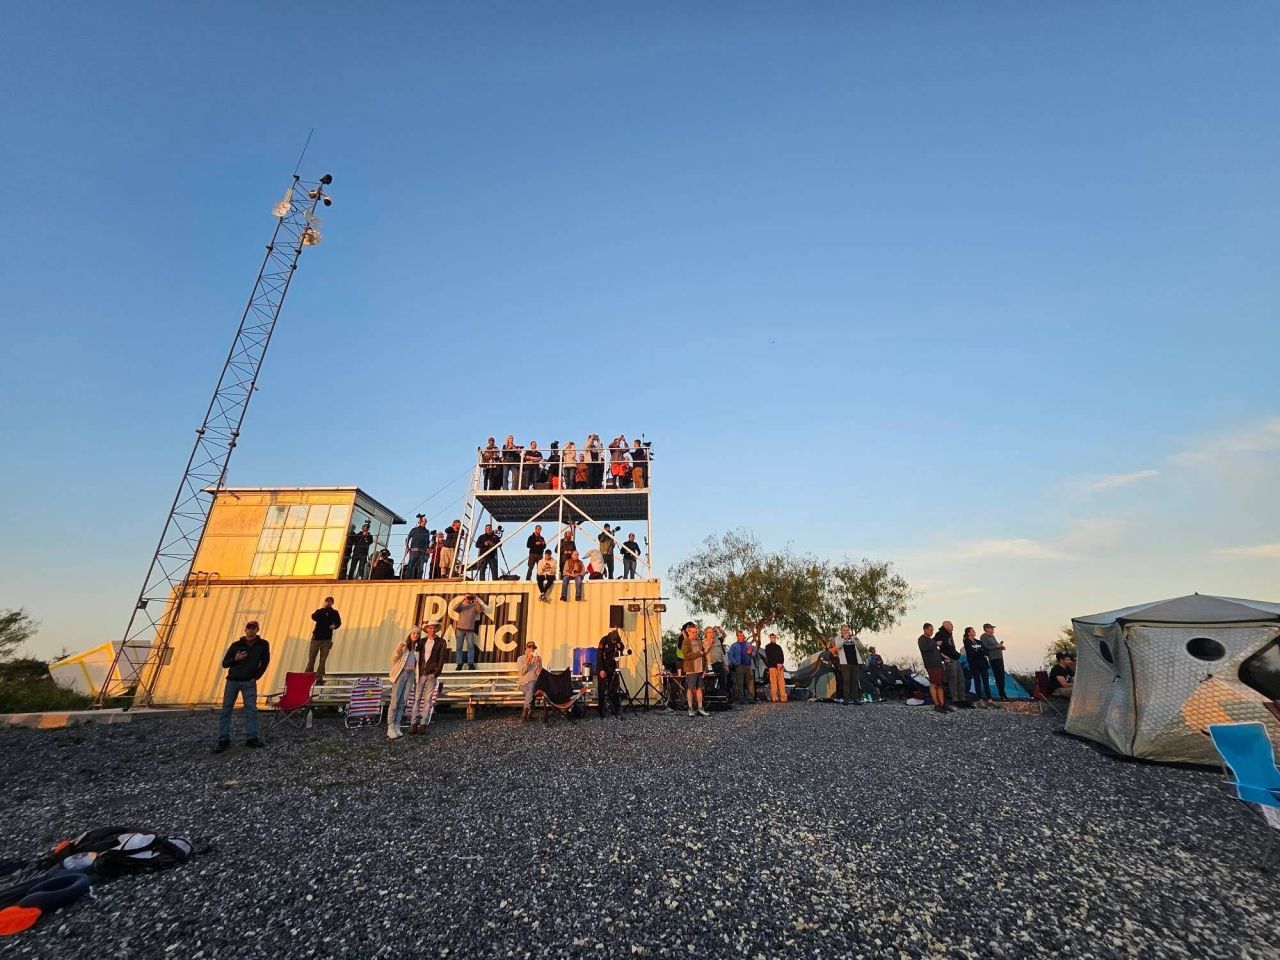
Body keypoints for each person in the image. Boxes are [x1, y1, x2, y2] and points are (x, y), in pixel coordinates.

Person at [214, 620, 270, 752]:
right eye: (249, 628)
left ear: (258, 630)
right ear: (245, 630)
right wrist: (236, 659)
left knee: (251, 710)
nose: (251, 630)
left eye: (253, 628)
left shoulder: (262, 645)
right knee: (226, 710)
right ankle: (223, 739)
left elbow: (265, 661)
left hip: (248, 682)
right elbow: (225, 663)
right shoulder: (235, 645)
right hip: (232, 681)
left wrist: (256, 676)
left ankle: (251, 738)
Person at [408, 622, 447, 734]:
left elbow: (442, 658)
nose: (432, 630)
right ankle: (413, 723)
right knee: (417, 699)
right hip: (420, 673)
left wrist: (436, 673)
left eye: (434, 628)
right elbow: (416, 655)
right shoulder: (421, 642)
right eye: (430, 628)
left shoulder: (441, 642)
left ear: (436, 630)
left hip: (431, 674)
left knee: (427, 699)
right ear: (427, 629)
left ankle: (423, 724)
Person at [387, 627, 419, 740]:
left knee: (403, 701)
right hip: (401, 673)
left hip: (410, 675)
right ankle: (390, 726)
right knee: (395, 700)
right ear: (410, 634)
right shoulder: (404, 645)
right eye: (414, 633)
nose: (415, 635)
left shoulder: (417, 648)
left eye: (417, 634)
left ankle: (397, 725)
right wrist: (398, 650)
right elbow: (394, 659)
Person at [306, 596, 341, 684]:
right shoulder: (320, 611)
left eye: (330, 602)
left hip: (327, 639)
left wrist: (335, 626)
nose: (328, 603)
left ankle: (319, 678)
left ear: (332, 603)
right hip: (316, 638)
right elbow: (314, 617)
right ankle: (307, 676)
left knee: (323, 659)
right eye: (327, 601)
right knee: (312, 658)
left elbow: (338, 622)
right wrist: (323, 610)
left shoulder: (334, 613)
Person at [936, 620, 971, 708]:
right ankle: (955, 700)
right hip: (950, 660)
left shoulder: (949, 634)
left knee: (961, 679)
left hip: (956, 658)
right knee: (953, 679)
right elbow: (932, 643)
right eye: (951, 625)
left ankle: (962, 699)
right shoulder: (940, 633)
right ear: (946, 625)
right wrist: (942, 656)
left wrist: (958, 655)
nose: (953, 626)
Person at [451, 592, 489, 670]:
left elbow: (480, 610)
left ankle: (471, 664)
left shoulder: (473, 606)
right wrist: (462, 600)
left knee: (471, 647)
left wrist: (477, 602)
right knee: (459, 647)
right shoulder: (461, 606)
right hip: (460, 629)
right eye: (467, 597)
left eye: (470, 597)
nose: (468, 599)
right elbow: (454, 608)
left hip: (470, 630)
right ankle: (459, 664)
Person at [679, 621, 709, 717]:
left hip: (700, 669)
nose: (694, 634)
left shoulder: (699, 641)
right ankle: (690, 708)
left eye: (696, 632)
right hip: (691, 669)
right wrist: (698, 654)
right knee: (690, 689)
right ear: (688, 632)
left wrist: (705, 669)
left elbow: (704, 655)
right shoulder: (686, 641)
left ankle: (700, 708)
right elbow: (686, 655)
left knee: (700, 689)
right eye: (692, 632)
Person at [918, 622, 949, 713]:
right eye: (931, 630)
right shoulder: (922, 639)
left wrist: (944, 659)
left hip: (938, 664)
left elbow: (937, 653)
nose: (932, 632)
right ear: (926, 629)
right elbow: (924, 649)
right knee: (934, 683)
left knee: (940, 684)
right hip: (931, 664)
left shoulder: (931, 640)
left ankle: (942, 704)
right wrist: (935, 644)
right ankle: (936, 704)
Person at [596, 629, 625, 719]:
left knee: (613, 689)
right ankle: (601, 710)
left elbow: (622, 648)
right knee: (602, 689)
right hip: (603, 667)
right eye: (613, 641)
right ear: (611, 638)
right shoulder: (604, 640)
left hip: (613, 668)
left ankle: (614, 709)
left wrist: (620, 646)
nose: (614, 642)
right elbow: (599, 656)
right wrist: (601, 669)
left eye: (615, 641)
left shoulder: (618, 641)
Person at [962, 626, 992, 707]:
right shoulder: (967, 642)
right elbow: (971, 653)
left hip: (983, 664)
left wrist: (979, 651)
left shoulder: (978, 641)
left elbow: (986, 651)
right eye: (973, 631)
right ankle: (980, 699)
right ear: (969, 633)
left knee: (986, 681)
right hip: (974, 665)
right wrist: (980, 651)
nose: (974, 632)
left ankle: (989, 698)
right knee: (977, 681)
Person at [980, 624, 1008, 701]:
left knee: (1002, 676)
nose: (993, 629)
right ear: (987, 629)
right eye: (991, 628)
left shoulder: (993, 636)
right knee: (998, 676)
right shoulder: (983, 637)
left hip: (999, 657)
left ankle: (1003, 694)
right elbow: (986, 647)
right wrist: (996, 647)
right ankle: (1002, 695)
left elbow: (996, 645)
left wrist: (1001, 647)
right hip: (993, 658)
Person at [516, 640, 543, 720]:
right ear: (526, 648)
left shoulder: (537, 659)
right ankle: (529, 712)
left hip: (535, 684)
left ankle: (526, 711)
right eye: (529, 647)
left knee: (532, 686)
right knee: (531, 689)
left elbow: (539, 674)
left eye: (533, 648)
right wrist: (527, 662)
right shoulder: (521, 659)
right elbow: (522, 672)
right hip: (523, 684)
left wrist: (539, 664)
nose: (531, 649)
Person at [838, 625, 861, 705]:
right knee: (846, 681)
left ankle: (855, 699)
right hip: (845, 663)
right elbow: (838, 646)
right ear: (841, 631)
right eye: (844, 630)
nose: (846, 632)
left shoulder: (853, 638)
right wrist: (844, 638)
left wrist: (857, 639)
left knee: (855, 681)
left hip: (855, 662)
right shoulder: (838, 638)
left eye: (847, 630)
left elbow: (861, 647)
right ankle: (846, 699)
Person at [728, 630, 752, 705]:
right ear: (737, 636)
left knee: (750, 682)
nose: (741, 637)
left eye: (742, 636)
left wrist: (751, 652)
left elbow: (754, 653)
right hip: (739, 665)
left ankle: (750, 698)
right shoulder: (734, 645)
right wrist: (734, 662)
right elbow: (730, 655)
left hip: (748, 665)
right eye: (740, 636)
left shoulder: (748, 644)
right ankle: (741, 699)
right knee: (740, 683)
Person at [705, 626, 728, 703]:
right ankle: (710, 700)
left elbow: (721, 653)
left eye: (713, 632)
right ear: (706, 633)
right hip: (710, 665)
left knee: (723, 681)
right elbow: (704, 652)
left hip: (720, 663)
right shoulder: (703, 641)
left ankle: (723, 699)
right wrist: (710, 643)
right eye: (710, 632)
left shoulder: (718, 640)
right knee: (711, 682)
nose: (712, 634)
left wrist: (725, 664)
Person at [404, 514, 430, 579]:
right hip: (413, 550)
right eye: (424, 522)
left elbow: (427, 542)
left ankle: (418, 579)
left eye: (425, 522)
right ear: (420, 522)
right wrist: (407, 547)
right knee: (411, 566)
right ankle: (408, 579)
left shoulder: (427, 531)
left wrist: (427, 551)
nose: (425, 523)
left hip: (422, 552)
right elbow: (407, 538)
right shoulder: (414, 529)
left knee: (420, 568)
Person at [764, 633, 788, 703]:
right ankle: (774, 697)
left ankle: (783, 697)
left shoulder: (779, 647)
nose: (773, 638)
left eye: (774, 637)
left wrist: (780, 664)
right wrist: (776, 664)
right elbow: (769, 658)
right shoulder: (767, 647)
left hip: (780, 668)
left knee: (782, 683)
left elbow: (782, 656)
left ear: (776, 638)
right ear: (770, 638)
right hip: (772, 667)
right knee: (773, 683)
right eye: (772, 637)